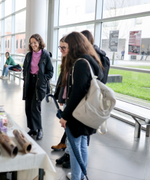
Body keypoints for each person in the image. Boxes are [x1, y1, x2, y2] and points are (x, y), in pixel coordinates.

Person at [59, 32, 103, 180]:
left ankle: (77, 177)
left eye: (66, 46)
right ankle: (82, 175)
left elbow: (77, 93)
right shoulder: (91, 60)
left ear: (74, 45)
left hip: (78, 113)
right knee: (82, 143)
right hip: (86, 111)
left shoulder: (81, 63)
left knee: (74, 147)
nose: (63, 49)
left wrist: (65, 116)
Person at [22, 34, 53, 140]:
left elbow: (50, 71)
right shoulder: (29, 55)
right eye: (31, 43)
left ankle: (39, 129)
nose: (33, 45)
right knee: (28, 107)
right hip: (29, 81)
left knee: (35, 107)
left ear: (39, 42)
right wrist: (25, 78)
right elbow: (24, 68)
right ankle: (33, 128)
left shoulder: (45, 54)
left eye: (35, 42)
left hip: (40, 83)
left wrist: (43, 78)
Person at [52, 36, 71, 169]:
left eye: (63, 47)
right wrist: (60, 98)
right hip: (66, 99)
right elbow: (62, 81)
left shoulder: (78, 63)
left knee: (74, 136)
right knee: (69, 132)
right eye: (60, 47)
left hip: (73, 103)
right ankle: (67, 152)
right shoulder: (66, 60)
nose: (61, 50)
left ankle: (70, 157)